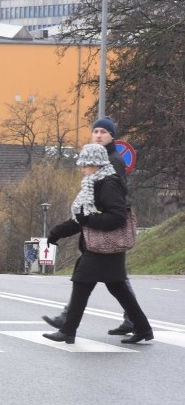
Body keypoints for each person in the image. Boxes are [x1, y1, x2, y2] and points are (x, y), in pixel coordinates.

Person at [42, 143, 152, 345]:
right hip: (104, 246)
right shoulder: (94, 183)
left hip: (104, 246)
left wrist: (90, 220)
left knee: (82, 282)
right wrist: (57, 233)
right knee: (118, 288)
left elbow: (117, 217)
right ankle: (144, 328)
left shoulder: (108, 184)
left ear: (96, 164)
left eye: (85, 165)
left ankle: (68, 330)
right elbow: (81, 218)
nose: (82, 169)